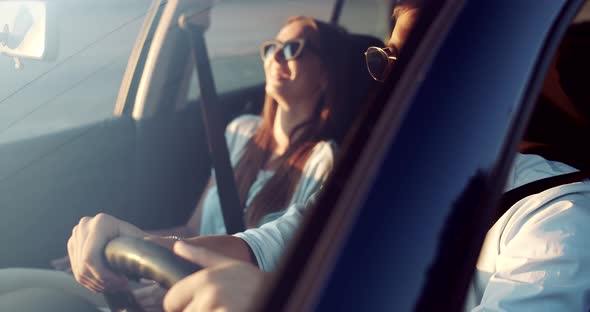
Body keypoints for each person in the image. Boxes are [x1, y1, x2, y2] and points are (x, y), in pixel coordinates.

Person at [0, 15, 361, 311]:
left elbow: (280, 255)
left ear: (325, 72)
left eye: (293, 48)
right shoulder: (240, 132)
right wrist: (133, 255)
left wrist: (169, 270)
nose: (276, 57)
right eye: (272, 47)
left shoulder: (325, 163)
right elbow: (190, 229)